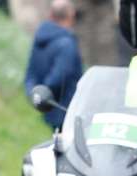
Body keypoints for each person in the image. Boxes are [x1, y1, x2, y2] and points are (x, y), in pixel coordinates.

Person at [24, 0, 83, 130]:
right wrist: (45, 91)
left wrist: (36, 94)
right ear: (71, 16)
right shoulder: (67, 43)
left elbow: (30, 73)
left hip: (48, 106)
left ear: (51, 15)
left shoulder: (40, 39)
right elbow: (59, 76)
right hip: (66, 109)